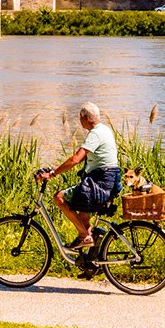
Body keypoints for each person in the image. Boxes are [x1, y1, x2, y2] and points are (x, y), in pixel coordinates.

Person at [35, 102, 121, 249]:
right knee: (83, 218)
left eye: (80, 118)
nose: (80, 121)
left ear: (85, 118)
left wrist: (53, 174)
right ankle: (90, 263)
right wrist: (57, 168)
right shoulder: (105, 130)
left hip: (100, 182)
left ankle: (85, 237)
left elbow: (76, 159)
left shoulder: (95, 133)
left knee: (59, 197)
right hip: (108, 181)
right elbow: (96, 161)